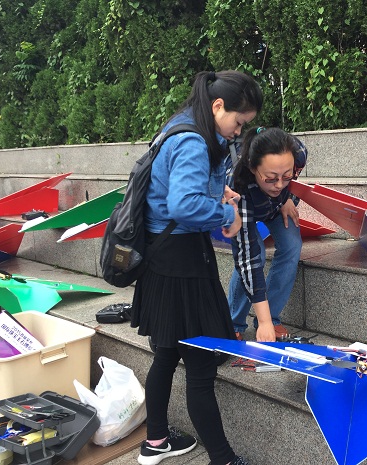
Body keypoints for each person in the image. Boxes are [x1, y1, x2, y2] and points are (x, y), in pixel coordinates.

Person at [130, 70, 262, 465]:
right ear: (218, 106)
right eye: (239, 122)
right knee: (201, 366)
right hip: (183, 265)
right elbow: (183, 204)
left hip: (161, 258)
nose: (239, 132)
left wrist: (216, 190)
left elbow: (173, 187)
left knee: (166, 354)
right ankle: (224, 459)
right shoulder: (192, 140)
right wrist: (227, 213)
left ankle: (156, 442)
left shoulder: (181, 124)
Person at [227, 126, 308, 342]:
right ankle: (233, 322)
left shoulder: (299, 152)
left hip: (275, 207)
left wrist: (288, 198)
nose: (279, 184)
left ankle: (272, 317)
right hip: (245, 208)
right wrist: (262, 323)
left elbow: (292, 183)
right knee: (257, 255)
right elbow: (247, 257)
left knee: (292, 245)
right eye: (271, 178)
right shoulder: (237, 184)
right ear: (253, 168)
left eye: (286, 176)